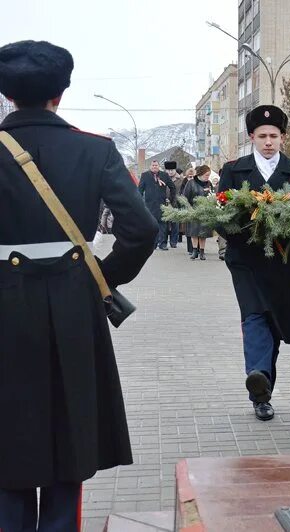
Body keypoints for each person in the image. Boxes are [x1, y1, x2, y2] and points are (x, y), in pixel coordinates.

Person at [0, 40, 158, 531]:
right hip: (73, 303)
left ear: (8, 95)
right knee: (72, 424)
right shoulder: (95, 149)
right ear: (60, 94)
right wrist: (99, 277)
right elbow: (142, 229)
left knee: (8, 426)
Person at [217, 105, 290, 421]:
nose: (268, 141)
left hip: (284, 261)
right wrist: (244, 234)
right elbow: (220, 217)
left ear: (283, 137)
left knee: (275, 322)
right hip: (245, 260)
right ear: (251, 137)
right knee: (254, 315)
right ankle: (258, 384)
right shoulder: (234, 171)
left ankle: (263, 385)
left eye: (274, 136)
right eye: (262, 136)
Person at [138, 159, 176, 250]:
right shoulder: (145, 175)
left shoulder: (164, 175)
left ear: (159, 167)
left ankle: (162, 244)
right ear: (150, 166)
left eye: (156, 165)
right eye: (153, 165)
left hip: (162, 204)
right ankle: (153, 244)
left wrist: (170, 199)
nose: (154, 167)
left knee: (162, 225)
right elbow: (140, 190)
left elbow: (172, 187)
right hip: (149, 204)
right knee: (152, 225)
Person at [182, 164, 215, 260]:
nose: (207, 177)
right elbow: (185, 197)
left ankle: (202, 252)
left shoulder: (209, 183)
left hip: (205, 211)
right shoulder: (191, 183)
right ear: (200, 174)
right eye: (206, 175)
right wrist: (187, 208)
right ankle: (194, 251)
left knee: (203, 233)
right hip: (193, 210)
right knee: (194, 232)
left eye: (208, 175)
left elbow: (212, 195)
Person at [181, 166, 197, 254]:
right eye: (189, 176)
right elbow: (182, 195)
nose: (191, 178)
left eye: (192, 176)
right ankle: (190, 249)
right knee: (189, 229)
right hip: (188, 207)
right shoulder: (185, 183)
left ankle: (197, 248)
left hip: (197, 206)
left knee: (197, 229)